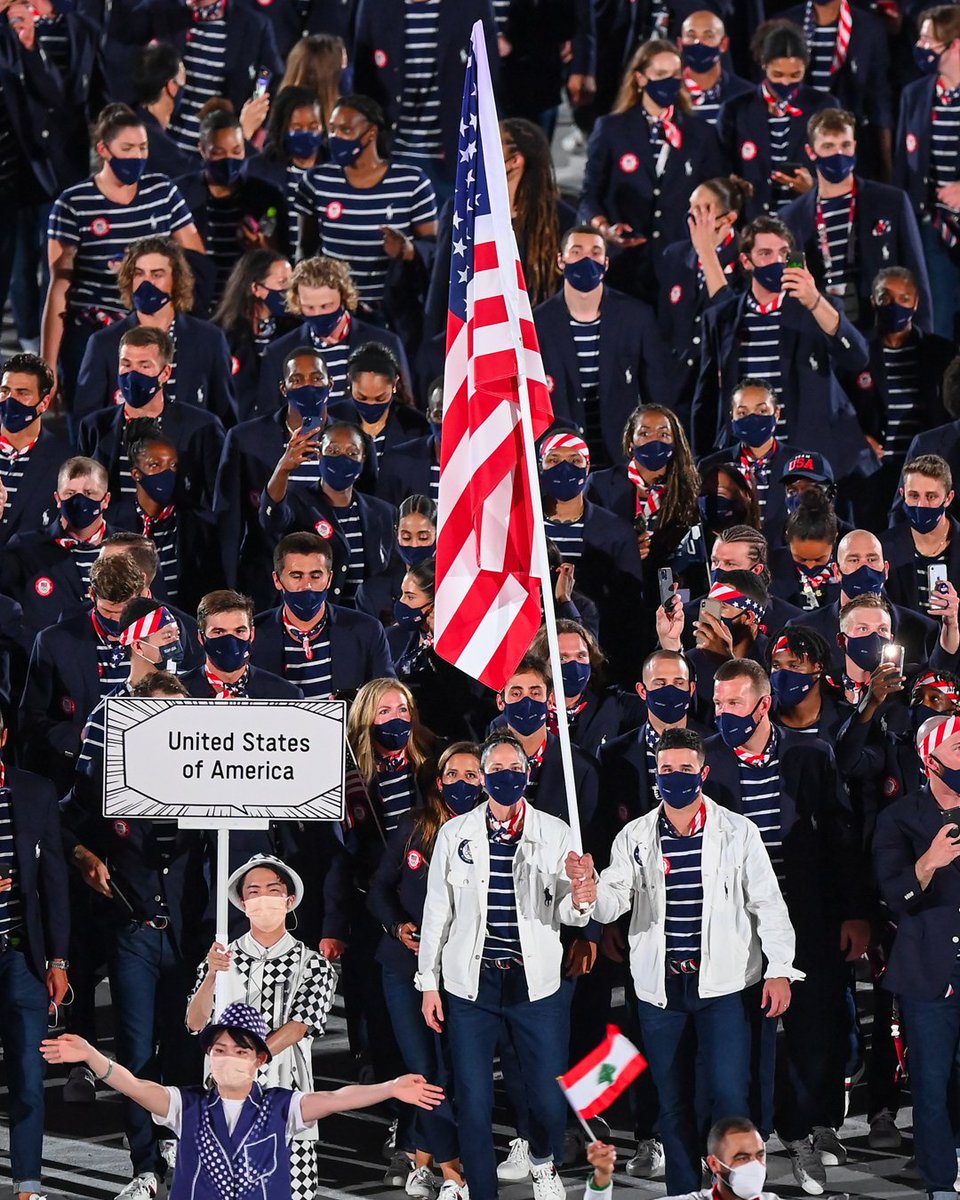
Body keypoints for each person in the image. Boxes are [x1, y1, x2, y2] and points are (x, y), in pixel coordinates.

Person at [578, 726, 799, 1196]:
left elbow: (768, 903)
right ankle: (683, 1191)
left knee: (729, 1098)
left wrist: (780, 969)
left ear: (703, 772)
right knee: (673, 1103)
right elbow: (611, 902)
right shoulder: (633, 836)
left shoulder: (739, 832)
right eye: (666, 770)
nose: (675, 778)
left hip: (723, 988)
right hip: (662, 991)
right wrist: (587, 891)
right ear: (655, 776)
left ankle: (737, 1189)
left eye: (685, 769)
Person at [705, 657, 868, 1194]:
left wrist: (853, 912)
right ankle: (748, 1148)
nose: (724, 713)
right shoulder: (704, 761)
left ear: (763, 703)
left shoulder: (812, 755)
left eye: (734, 703)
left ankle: (801, 1137)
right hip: (731, 924)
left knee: (810, 1033)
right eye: (718, 703)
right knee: (745, 1041)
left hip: (805, 918)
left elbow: (841, 842)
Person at [417, 732, 595, 1200]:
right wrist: (429, 983)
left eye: (512, 770)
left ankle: (542, 1159)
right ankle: (482, 1191)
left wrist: (581, 895)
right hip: (470, 985)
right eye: (494, 772)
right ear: (484, 780)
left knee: (548, 1095)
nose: (504, 778)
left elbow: (571, 914)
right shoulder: (456, 835)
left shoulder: (555, 832)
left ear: (527, 773)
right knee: (474, 1101)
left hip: (535, 983)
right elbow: (437, 913)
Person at [41, 1004, 443, 1200]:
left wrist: (389, 1088)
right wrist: (93, 1056)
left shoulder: (282, 1107)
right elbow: (131, 1084)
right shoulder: (186, 1105)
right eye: (218, 1050)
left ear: (259, 1060)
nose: (226, 1058)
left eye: (239, 1051)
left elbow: (338, 1098)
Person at [187, 856, 337, 1200]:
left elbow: (301, 1025)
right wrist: (211, 975)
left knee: (291, 1190)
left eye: (272, 889)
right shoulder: (222, 959)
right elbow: (195, 1023)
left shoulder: (313, 964)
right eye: (253, 891)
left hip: (286, 1096)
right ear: (242, 903)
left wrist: (252, 1059)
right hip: (225, 1101)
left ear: (289, 901)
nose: (262, 897)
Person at [367, 744, 478, 1200]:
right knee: (423, 1069)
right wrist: (396, 927)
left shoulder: (493, 830)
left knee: (451, 1070)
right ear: (439, 781)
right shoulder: (415, 827)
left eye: (473, 775)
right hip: (403, 969)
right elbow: (377, 888)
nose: (463, 783)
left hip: (460, 971)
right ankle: (452, 1173)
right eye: (454, 773)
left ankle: (420, 1154)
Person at [691, 213, 873, 485]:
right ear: (746, 261)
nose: (776, 261)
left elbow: (857, 357)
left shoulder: (814, 309)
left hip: (808, 461)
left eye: (784, 253)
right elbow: (705, 398)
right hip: (744, 463)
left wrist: (815, 302)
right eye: (765, 253)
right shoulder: (723, 317)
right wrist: (700, 461)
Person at [42, 104, 203, 410]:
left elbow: (195, 260)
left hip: (155, 333)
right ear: (104, 149)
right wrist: (48, 366)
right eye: (127, 148)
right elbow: (59, 286)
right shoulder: (73, 204)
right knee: (91, 427)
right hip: (95, 333)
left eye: (142, 147)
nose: (137, 156)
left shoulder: (163, 192)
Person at [873, 713, 960, 1200]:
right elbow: (894, 898)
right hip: (929, 974)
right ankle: (939, 1181)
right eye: (959, 748)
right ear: (931, 759)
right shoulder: (899, 818)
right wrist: (927, 863)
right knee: (930, 1081)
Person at [577, 38, 724, 304]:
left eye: (674, 75)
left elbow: (715, 193)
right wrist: (604, 228)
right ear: (640, 78)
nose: (668, 82)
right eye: (660, 75)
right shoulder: (611, 129)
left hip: (680, 264)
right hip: (624, 266)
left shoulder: (700, 134)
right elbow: (589, 195)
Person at [0, 706, 70, 1200]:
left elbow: (55, 884)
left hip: (23, 959)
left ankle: (28, 1186)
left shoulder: (34, 790)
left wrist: (59, 960)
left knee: (28, 1073)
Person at [534, 225, 675, 468]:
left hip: (621, 456)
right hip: (562, 456)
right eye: (577, 252)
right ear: (561, 260)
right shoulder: (538, 322)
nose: (587, 259)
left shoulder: (636, 316)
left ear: (606, 263)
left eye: (595, 252)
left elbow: (659, 394)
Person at [296, 93, 438, 329]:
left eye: (345, 130)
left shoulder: (412, 182)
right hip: (335, 315)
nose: (335, 137)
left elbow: (434, 251)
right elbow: (305, 250)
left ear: (370, 132)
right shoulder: (316, 181)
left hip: (394, 317)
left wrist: (407, 250)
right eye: (331, 130)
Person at [780, 109, 931, 331]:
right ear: (811, 152)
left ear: (855, 146)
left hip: (880, 327)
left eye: (845, 145)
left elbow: (916, 274)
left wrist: (923, 339)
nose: (838, 154)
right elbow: (793, 283)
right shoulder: (791, 217)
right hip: (823, 332)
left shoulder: (891, 201)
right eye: (828, 147)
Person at [214, 345, 333, 610]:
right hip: (264, 583)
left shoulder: (349, 440)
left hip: (332, 582)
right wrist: (229, 590)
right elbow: (228, 519)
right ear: (283, 389)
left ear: (330, 384)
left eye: (316, 378)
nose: (307, 386)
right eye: (297, 380)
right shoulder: (245, 439)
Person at [75, 236, 237, 427]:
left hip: (191, 452)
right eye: (139, 274)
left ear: (176, 279)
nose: (146, 283)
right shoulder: (104, 343)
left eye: (156, 275)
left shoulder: (208, 339)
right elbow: (86, 422)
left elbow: (225, 415)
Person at [19, 552, 148, 791]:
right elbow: (31, 718)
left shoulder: (162, 637)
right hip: (77, 779)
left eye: (125, 612)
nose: (117, 621)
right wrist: (80, 735)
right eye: (109, 612)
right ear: (92, 595)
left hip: (145, 770)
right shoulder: (54, 642)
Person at [352, 0, 499, 199]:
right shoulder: (374, 5)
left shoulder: (473, 5)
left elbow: (488, 80)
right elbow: (362, 86)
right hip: (391, 154)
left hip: (453, 159)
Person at [77, 325, 225, 515]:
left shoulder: (202, 427)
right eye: (126, 364)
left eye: (144, 366)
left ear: (165, 374)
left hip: (176, 539)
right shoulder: (95, 427)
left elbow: (219, 502)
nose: (133, 374)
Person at [260, 421, 396, 609]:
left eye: (352, 453)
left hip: (366, 622)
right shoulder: (298, 502)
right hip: (314, 616)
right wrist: (283, 469)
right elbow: (272, 518)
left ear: (363, 458)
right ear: (319, 454)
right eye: (332, 451)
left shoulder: (383, 513)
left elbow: (389, 574)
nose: (342, 458)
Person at [256, 255, 410, 417]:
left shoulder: (385, 342)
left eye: (325, 306)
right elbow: (269, 418)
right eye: (309, 307)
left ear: (344, 297)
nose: (318, 314)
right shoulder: (278, 353)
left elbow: (405, 410)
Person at [786, 528, 951, 677]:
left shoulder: (922, 630)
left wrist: (953, 626)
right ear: (837, 572)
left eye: (872, 559)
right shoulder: (802, 631)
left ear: (885, 570)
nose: (864, 569)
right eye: (854, 560)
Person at [251, 531, 394, 699]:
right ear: (277, 580)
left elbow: (387, 695)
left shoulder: (367, 630)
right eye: (296, 576)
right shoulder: (254, 634)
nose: (307, 586)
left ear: (329, 579)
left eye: (316, 576)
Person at [717, 23, 836, 220]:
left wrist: (813, 187)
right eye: (778, 75)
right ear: (764, 64)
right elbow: (719, 170)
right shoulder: (735, 110)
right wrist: (734, 186)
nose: (786, 83)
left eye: (795, 75)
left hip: (805, 222)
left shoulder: (824, 107)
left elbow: (838, 168)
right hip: (751, 224)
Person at [658, 175, 753, 416]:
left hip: (721, 390)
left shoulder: (748, 263)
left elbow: (732, 319)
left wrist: (706, 251)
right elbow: (666, 325)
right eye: (691, 208)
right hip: (676, 387)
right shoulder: (675, 256)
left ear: (729, 219)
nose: (692, 218)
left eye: (702, 211)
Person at [894, 5, 960, 340]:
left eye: (929, 40)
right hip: (932, 229)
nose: (921, 47)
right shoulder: (915, 95)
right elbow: (902, 171)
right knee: (939, 322)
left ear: (956, 46)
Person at [178, 106, 289, 304]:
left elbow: (282, 254)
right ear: (202, 150)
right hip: (197, 303)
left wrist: (262, 249)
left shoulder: (266, 195)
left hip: (247, 304)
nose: (229, 160)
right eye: (219, 153)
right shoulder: (181, 194)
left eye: (236, 151)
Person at [1, 455, 112, 646]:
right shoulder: (25, 548)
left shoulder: (130, 549)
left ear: (106, 500)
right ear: (57, 498)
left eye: (89, 493)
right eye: (70, 493)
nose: (79, 501)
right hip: (42, 668)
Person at [388, 557, 496, 742]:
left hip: (458, 742)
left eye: (410, 597)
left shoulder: (473, 643)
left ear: (436, 602)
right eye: (402, 594)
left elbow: (465, 703)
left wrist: (440, 648)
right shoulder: (392, 636)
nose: (402, 602)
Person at [697, 377, 800, 537]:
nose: (753, 419)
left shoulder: (800, 462)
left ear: (777, 413)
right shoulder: (711, 466)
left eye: (762, 411)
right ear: (732, 417)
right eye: (743, 412)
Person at [212, 249, 296, 422]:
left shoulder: (295, 332)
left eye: (292, 282)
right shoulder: (219, 336)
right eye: (282, 282)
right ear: (256, 288)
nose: (290, 290)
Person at [347, 677, 434, 838]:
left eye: (402, 709)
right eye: (384, 711)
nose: (397, 718)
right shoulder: (351, 769)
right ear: (366, 717)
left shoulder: (431, 761)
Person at [0, 352, 69, 549]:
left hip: (32, 574)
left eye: (23, 393)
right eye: (5, 391)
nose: (10, 400)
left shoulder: (64, 461)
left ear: (44, 403)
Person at [178, 589, 301, 699]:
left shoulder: (285, 695)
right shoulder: (177, 694)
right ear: (201, 637)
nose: (230, 640)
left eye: (239, 631)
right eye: (219, 632)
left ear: (252, 634)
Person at [246, 86, 327, 253]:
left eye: (313, 127)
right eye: (297, 129)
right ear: (282, 128)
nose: (306, 134)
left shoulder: (336, 170)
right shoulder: (258, 170)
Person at [329, 341, 429, 469]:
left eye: (380, 398)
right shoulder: (331, 420)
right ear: (350, 382)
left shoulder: (417, 427)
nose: (371, 404)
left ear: (394, 385)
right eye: (362, 397)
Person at [881, 454, 960, 613]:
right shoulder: (883, 549)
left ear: (948, 498)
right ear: (902, 494)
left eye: (931, 497)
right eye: (914, 495)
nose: (921, 505)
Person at [356, 493, 438, 624]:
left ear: (437, 534)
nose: (414, 544)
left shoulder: (457, 587)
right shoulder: (371, 593)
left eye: (423, 537)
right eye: (406, 537)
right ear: (396, 533)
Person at [130, 43, 198, 181]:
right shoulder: (155, 144)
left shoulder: (129, 121)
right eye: (183, 80)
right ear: (172, 86)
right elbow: (202, 179)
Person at [768, 489, 841, 613]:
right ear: (788, 538)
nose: (810, 565)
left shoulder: (849, 566)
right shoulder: (770, 566)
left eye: (819, 559)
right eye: (801, 558)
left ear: (834, 538)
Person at [676, 9, 753, 127]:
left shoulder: (747, 96)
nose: (698, 42)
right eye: (691, 36)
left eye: (708, 36)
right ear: (680, 44)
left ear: (723, 44)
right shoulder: (668, 94)